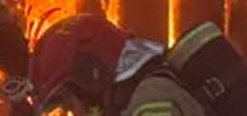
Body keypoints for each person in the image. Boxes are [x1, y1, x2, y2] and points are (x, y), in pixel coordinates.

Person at [27, 14, 210, 116]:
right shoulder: (135, 97)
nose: (74, 113)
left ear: (90, 79)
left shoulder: (152, 99)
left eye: (69, 102)